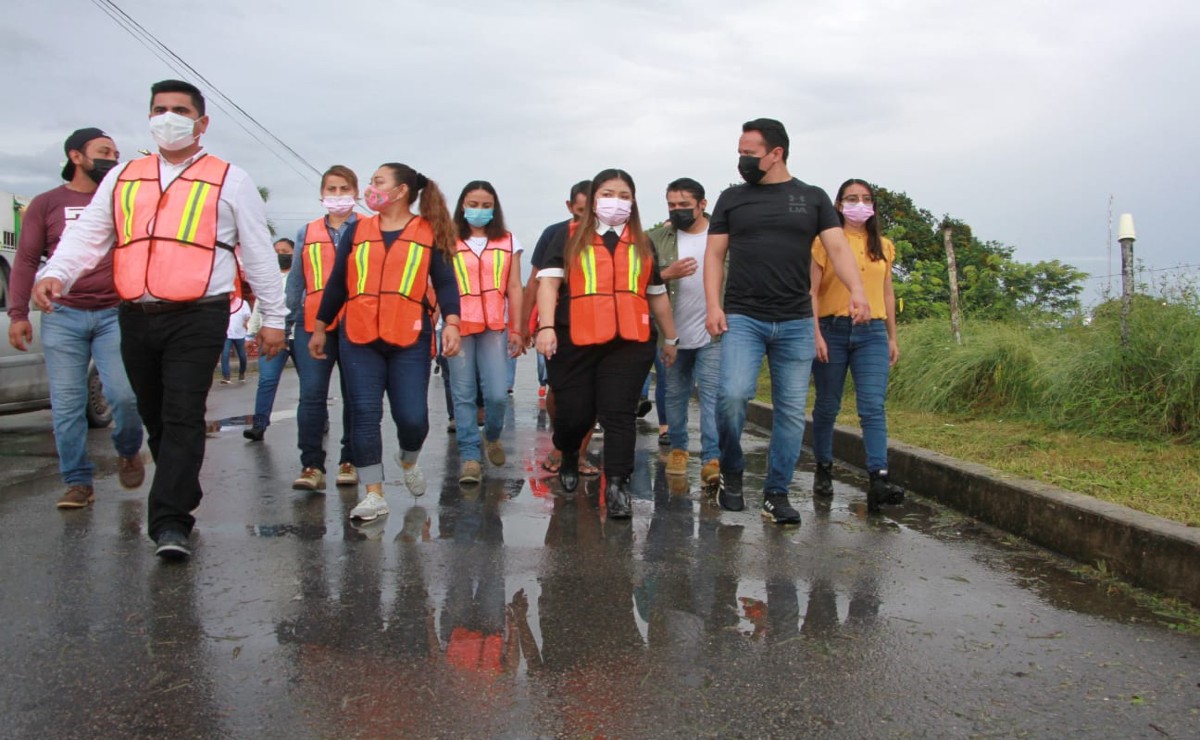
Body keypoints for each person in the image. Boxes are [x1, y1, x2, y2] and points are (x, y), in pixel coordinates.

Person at [34, 79, 287, 560]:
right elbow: (90, 234)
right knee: (155, 416)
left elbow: (257, 254)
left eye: (179, 110)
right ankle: (180, 489)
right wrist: (57, 274)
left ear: (201, 122)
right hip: (134, 314)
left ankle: (170, 521)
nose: (167, 118)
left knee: (183, 413)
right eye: (159, 109)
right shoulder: (124, 177)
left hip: (199, 313)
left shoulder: (229, 179)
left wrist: (272, 318)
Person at [703, 118, 869, 525]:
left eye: (749, 153)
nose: (742, 160)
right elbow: (714, 256)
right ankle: (732, 467)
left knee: (792, 412)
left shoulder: (811, 198)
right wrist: (713, 305)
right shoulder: (731, 198)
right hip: (743, 316)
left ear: (776, 153)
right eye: (740, 152)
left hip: (795, 321)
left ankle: (776, 493)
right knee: (733, 395)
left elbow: (838, 249)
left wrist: (857, 290)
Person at [309, 162, 461, 522]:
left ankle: (407, 458)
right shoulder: (358, 231)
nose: (370, 188)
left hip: (409, 333)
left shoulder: (428, 230)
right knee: (364, 414)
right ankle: (373, 493)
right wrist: (319, 327)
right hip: (357, 334)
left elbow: (446, 282)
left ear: (401, 190)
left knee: (412, 417)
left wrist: (452, 322)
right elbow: (336, 285)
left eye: (378, 181)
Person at [6, 127, 144, 509]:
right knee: (67, 405)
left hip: (114, 314)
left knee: (124, 396)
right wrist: (18, 313)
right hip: (62, 315)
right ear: (76, 156)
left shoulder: (123, 202)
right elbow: (26, 261)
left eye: (116, 154)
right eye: (103, 151)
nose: (112, 159)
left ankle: (129, 449)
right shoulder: (46, 204)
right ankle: (78, 482)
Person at [535, 169, 679, 519]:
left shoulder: (642, 242)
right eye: (608, 193)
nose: (617, 201)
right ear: (594, 198)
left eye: (625, 195)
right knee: (575, 414)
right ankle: (568, 452)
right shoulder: (566, 236)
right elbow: (549, 285)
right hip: (575, 339)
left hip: (629, 341)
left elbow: (656, 295)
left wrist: (671, 338)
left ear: (633, 201)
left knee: (618, 414)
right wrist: (546, 326)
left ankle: (618, 484)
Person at [811, 178, 904, 512]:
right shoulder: (824, 242)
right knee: (828, 405)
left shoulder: (884, 245)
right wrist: (815, 334)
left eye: (865, 199)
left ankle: (878, 476)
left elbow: (888, 292)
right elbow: (812, 291)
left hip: (872, 332)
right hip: (832, 328)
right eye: (852, 199)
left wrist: (892, 336)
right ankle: (823, 465)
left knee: (872, 406)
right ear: (838, 204)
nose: (859, 204)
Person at [288, 165, 360, 490]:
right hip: (312, 323)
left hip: (356, 323)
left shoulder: (368, 229)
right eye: (331, 189)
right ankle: (311, 466)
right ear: (321, 194)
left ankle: (350, 460)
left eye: (343, 188)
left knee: (356, 396)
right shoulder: (307, 231)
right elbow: (296, 280)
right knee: (312, 396)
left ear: (356, 193)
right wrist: (287, 319)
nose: (337, 195)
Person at [447, 181, 524, 484]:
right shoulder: (447, 239)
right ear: (462, 205)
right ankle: (469, 456)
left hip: (495, 326)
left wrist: (517, 328)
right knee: (463, 394)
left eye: (485, 205)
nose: (479, 210)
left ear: (495, 208)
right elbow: (437, 285)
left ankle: (492, 436)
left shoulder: (508, 241)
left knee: (496, 394)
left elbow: (515, 287)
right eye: (473, 204)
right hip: (458, 326)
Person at [647, 177, 721, 486]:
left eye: (684, 205)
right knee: (675, 394)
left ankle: (712, 458)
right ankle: (678, 449)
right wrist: (666, 273)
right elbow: (638, 282)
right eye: (672, 205)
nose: (677, 211)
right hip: (671, 334)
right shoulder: (654, 239)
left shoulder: (722, 236)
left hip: (714, 331)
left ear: (702, 204)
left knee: (713, 395)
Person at [520, 181, 598, 475]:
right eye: (580, 212)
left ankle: (578, 453)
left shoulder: (615, 235)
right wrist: (526, 325)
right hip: (561, 325)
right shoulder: (554, 234)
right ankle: (561, 442)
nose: (587, 219)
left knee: (593, 392)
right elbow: (536, 282)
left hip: (600, 326)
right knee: (561, 390)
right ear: (569, 207)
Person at [243, 237, 296, 440]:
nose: (280, 255)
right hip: (272, 336)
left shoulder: (302, 276)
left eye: (284, 251)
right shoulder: (268, 279)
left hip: (298, 335)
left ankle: (319, 419)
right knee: (267, 380)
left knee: (310, 385)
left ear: (294, 253)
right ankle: (259, 424)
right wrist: (250, 333)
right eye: (277, 251)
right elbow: (258, 308)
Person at [220, 295, 252, 383]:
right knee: (225, 355)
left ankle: (242, 373)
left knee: (242, 356)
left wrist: (248, 326)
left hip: (240, 334)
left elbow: (248, 317)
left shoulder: (243, 303)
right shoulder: (223, 303)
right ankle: (226, 377)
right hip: (227, 334)